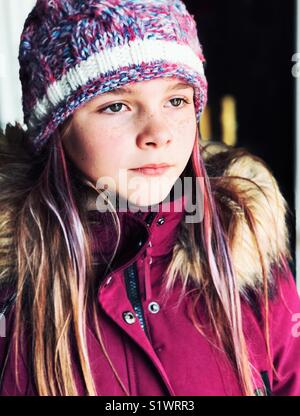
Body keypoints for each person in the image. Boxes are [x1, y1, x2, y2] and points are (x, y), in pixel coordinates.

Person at [0, 0, 299, 396]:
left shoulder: (242, 247)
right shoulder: (12, 285)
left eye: (176, 100)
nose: (158, 133)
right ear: (56, 130)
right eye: (117, 105)